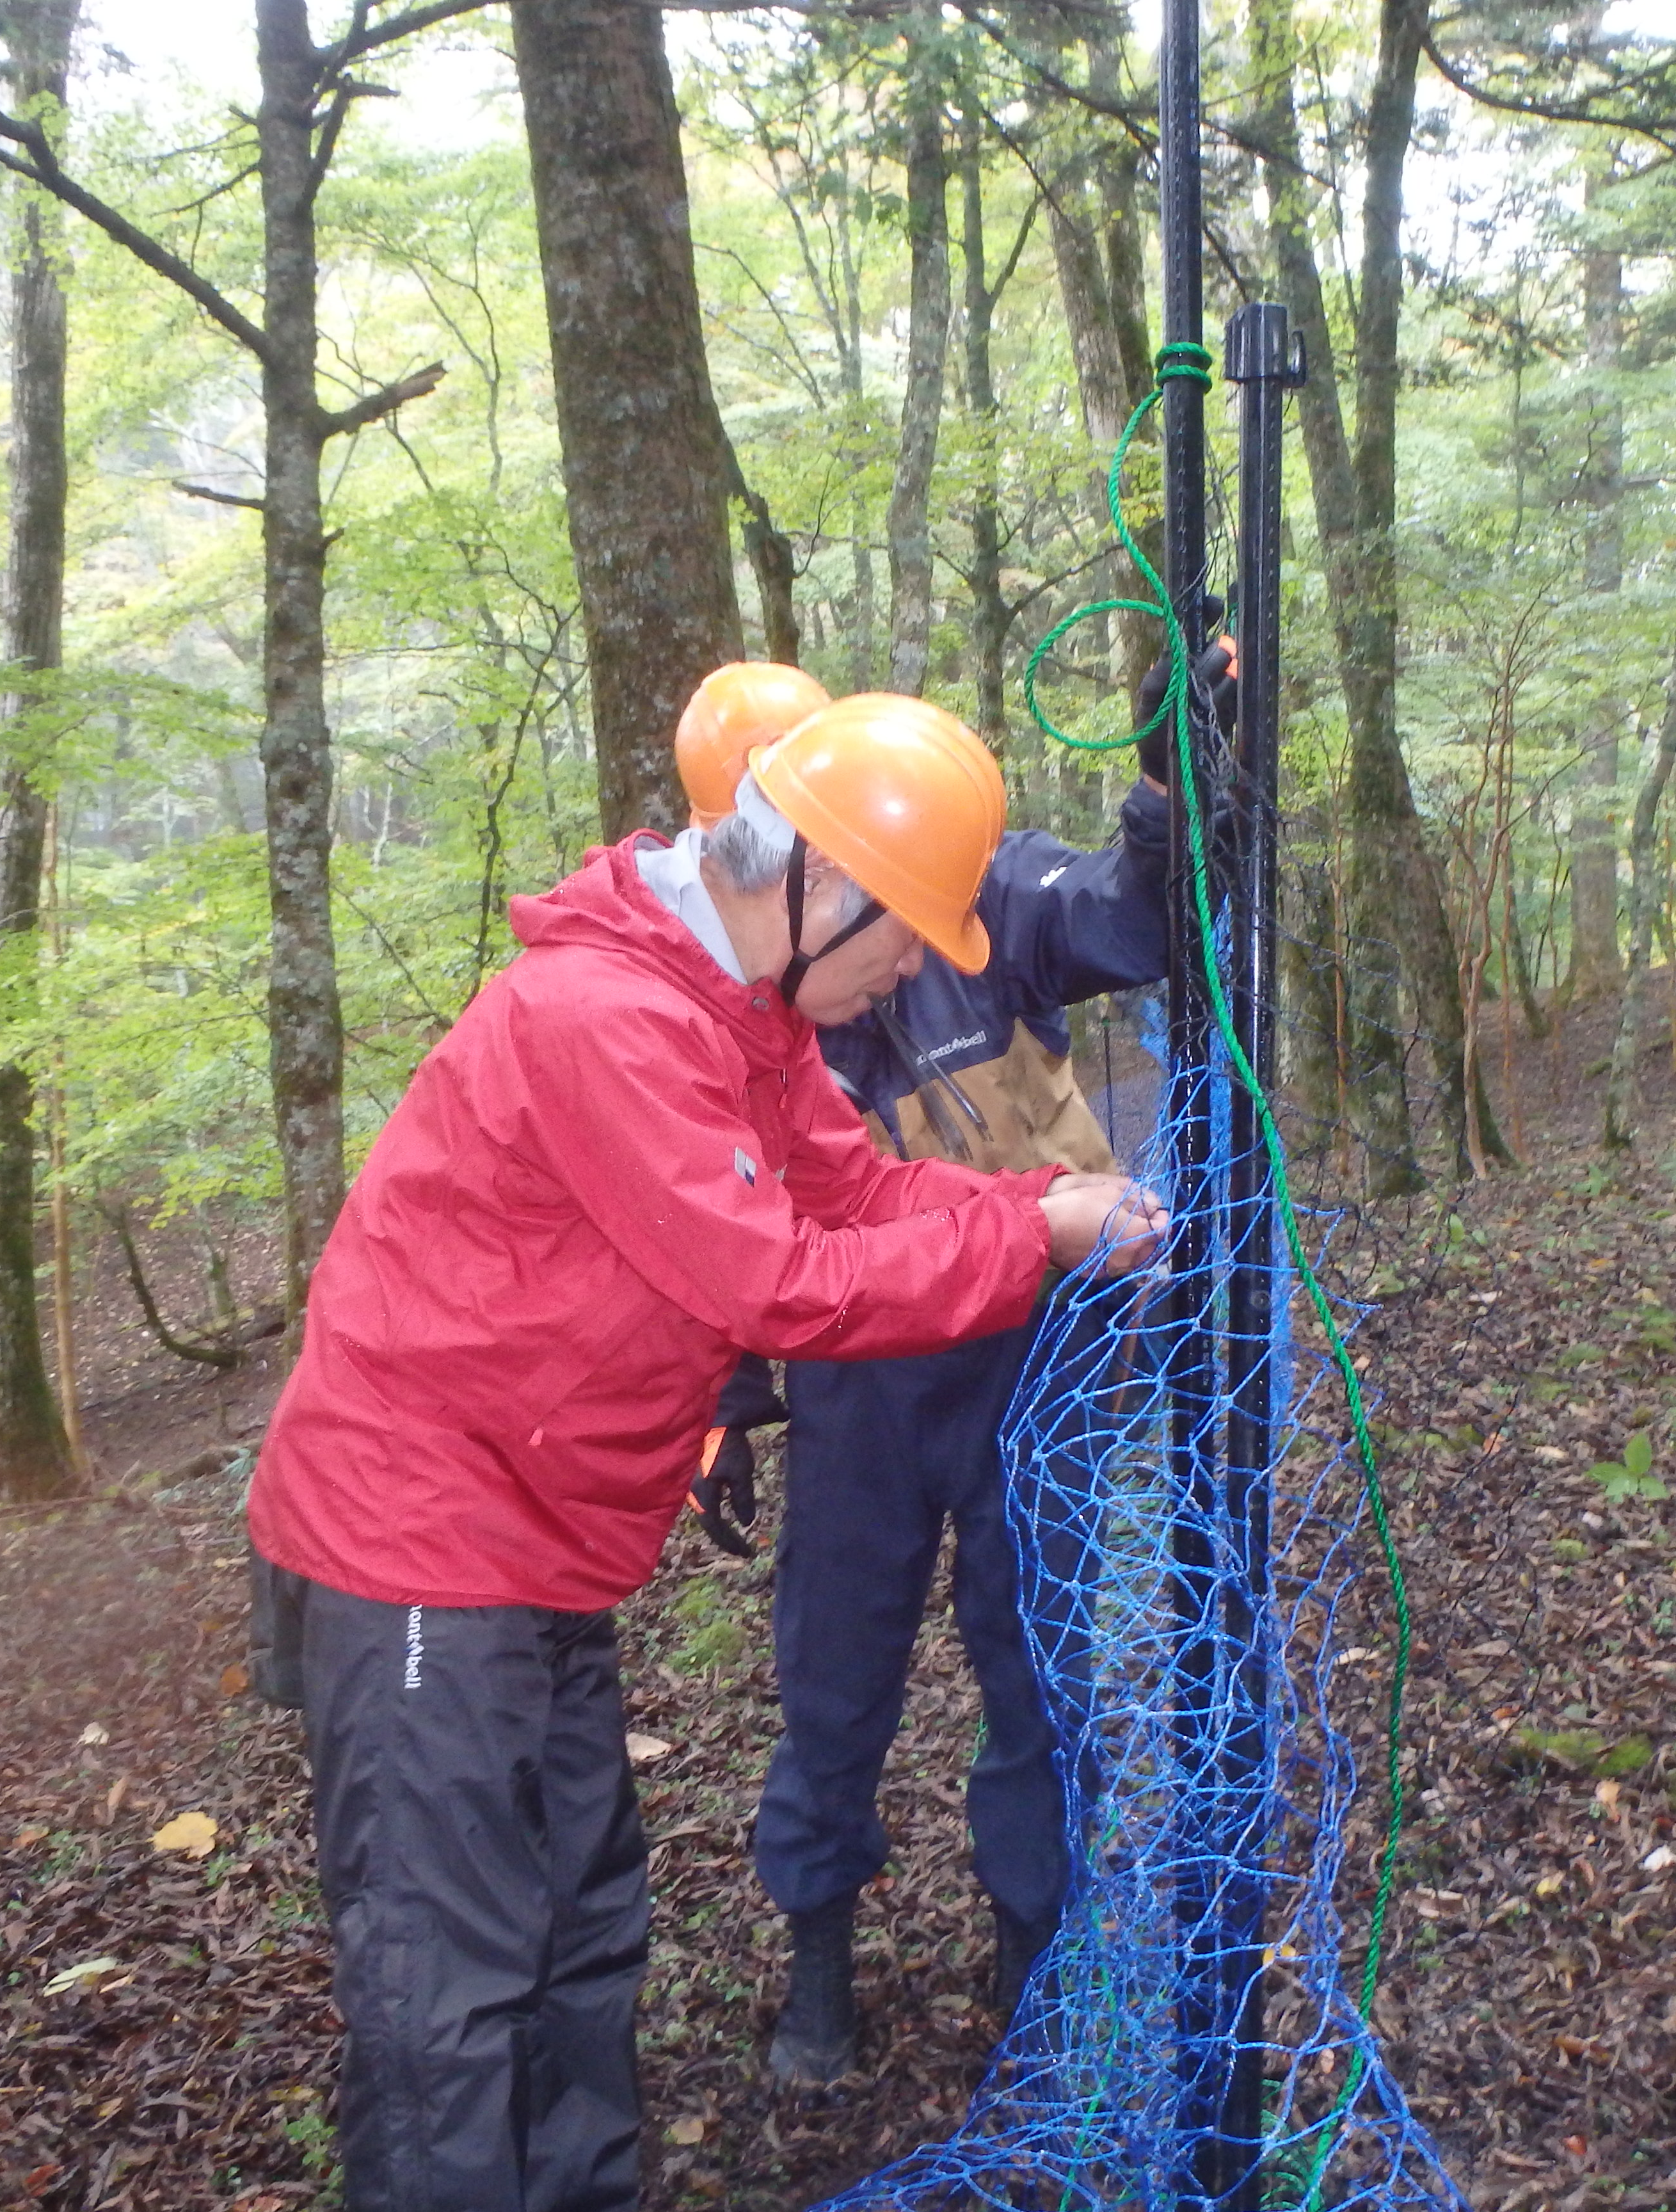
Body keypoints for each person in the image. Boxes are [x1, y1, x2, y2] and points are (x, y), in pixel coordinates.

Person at [244, 690, 1166, 2212]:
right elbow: (780, 1282)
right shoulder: (607, 1019)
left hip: (539, 1544)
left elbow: (857, 1195)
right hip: (417, 1547)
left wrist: (1039, 1219)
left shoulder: (744, 1015)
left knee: (584, 1930)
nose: (911, 973)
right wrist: (1030, 1242)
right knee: (449, 1999)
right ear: (816, 882)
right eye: (902, 936)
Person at [686, 641, 1236, 2085]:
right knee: (834, 1665)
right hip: (858, 1373)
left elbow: (1139, 923)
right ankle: (818, 1963)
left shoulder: (979, 890)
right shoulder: (741, 988)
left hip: (1033, 1352)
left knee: (1035, 1648)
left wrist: (1171, 790)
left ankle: (1028, 1945)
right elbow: (726, 1212)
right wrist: (732, 1403)